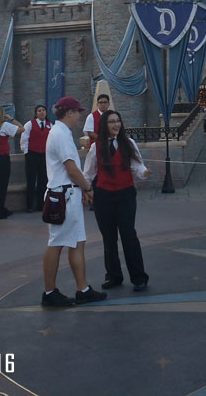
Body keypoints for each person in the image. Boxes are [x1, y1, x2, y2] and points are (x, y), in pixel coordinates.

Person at [41, 96, 106, 308]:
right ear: (69, 112)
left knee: (77, 241)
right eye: (78, 112)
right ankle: (49, 292)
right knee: (57, 242)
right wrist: (88, 188)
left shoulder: (61, 132)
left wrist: (81, 189)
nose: (80, 116)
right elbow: (71, 169)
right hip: (63, 196)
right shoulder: (61, 134)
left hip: (68, 193)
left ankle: (83, 289)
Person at [82, 110, 150, 292]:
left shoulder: (129, 143)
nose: (116, 125)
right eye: (112, 122)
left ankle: (139, 277)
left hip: (125, 195)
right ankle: (113, 275)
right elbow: (88, 173)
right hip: (104, 196)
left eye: (118, 121)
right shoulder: (96, 147)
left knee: (128, 235)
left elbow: (137, 165)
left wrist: (144, 173)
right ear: (105, 125)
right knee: (109, 238)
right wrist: (85, 190)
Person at [20, 104, 51, 213]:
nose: (42, 112)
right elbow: (24, 138)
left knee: (43, 180)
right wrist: (26, 152)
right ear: (36, 113)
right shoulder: (30, 124)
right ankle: (29, 205)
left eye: (43, 110)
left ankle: (41, 205)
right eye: (39, 110)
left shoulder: (50, 125)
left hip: (44, 156)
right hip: (32, 155)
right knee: (31, 180)